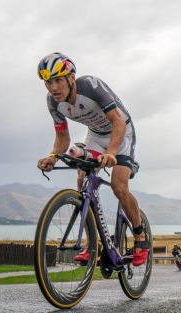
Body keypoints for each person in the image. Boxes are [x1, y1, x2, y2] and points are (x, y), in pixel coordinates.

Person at [36, 52, 149, 267]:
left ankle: (140, 236)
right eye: (48, 83)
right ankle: (92, 243)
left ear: (71, 78)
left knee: (118, 185)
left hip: (121, 132)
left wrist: (112, 153)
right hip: (96, 136)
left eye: (58, 80)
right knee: (82, 180)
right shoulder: (53, 103)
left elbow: (118, 122)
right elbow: (62, 137)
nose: (53, 88)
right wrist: (52, 156)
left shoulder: (91, 86)